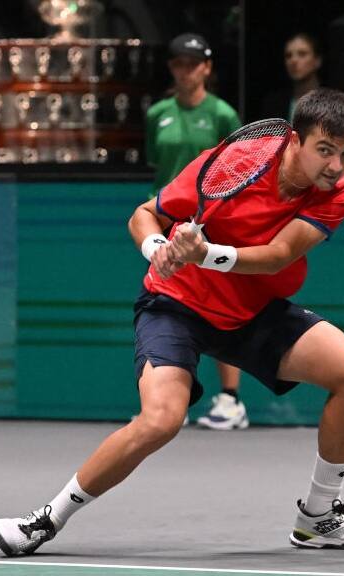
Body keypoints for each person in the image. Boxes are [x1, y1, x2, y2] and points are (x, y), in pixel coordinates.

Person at [0, 88, 344, 554]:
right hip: (176, 307)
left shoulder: (343, 186)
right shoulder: (235, 163)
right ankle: (45, 520)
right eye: (324, 150)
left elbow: (279, 254)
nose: (336, 165)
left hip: (251, 312)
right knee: (161, 420)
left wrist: (206, 254)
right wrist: (157, 249)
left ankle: (318, 516)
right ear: (293, 141)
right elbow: (145, 215)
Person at [145, 33, 248, 430]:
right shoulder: (158, 114)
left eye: (192, 64)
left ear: (206, 68)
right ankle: (170, 401)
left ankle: (231, 401)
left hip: (212, 224)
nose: (185, 71)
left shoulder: (223, 115)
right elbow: (157, 163)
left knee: (217, 308)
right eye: (178, 64)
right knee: (170, 308)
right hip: (167, 222)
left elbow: (240, 168)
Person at [260, 33, 322, 122]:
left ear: (317, 60)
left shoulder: (333, 102)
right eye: (288, 55)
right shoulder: (274, 104)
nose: (294, 60)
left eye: (302, 54)